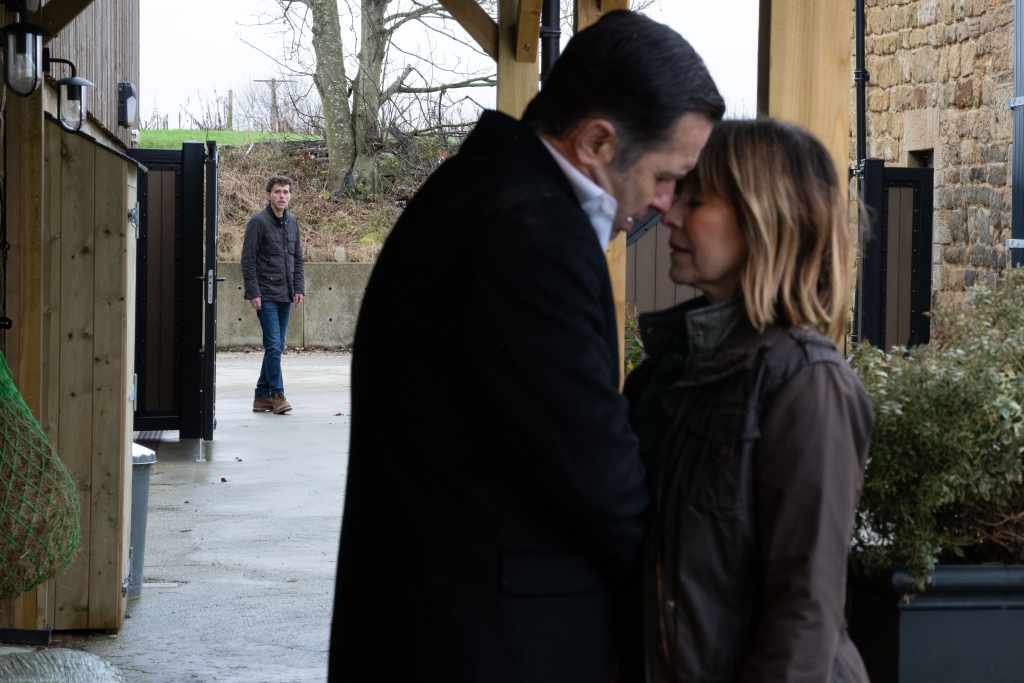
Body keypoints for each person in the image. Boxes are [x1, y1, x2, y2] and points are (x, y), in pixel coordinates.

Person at [329, 10, 724, 683]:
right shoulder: (527, 232)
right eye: (665, 175)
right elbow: (599, 481)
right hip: (483, 646)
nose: (666, 204)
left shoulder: (488, 194)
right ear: (597, 141)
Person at [624, 119, 873, 683]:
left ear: (764, 217)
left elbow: (803, 614)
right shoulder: (671, 371)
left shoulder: (807, 382)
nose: (670, 214)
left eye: (697, 200)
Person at [241, 175, 305, 415]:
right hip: (265, 294)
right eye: (278, 191)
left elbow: (297, 259)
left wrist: (298, 288)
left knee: (275, 347)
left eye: (286, 192)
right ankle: (277, 394)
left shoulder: (293, 223)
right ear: (269, 195)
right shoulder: (258, 222)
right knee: (274, 346)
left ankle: (261, 396)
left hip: (285, 294)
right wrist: (253, 292)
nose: (282, 196)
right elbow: (248, 260)